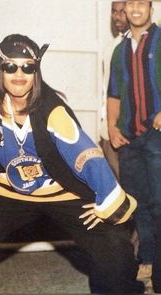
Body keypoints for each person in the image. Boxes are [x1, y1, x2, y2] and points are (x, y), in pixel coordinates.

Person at [0, 33, 144, 294]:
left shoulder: (52, 111)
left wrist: (106, 203)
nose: (19, 74)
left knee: (112, 241)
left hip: (59, 192)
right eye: (10, 66)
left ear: (36, 71)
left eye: (28, 67)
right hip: (6, 191)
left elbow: (87, 154)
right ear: (0, 69)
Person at [107, 0, 161, 292]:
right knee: (136, 203)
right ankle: (148, 260)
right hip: (129, 138)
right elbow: (114, 93)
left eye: (142, 2)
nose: (136, 9)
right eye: (131, 4)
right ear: (124, 9)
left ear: (151, 7)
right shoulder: (119, 51)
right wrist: (112, 127)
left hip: (157, 135)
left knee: (160, 203)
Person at [99, 0, 129, 180]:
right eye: (114, 11)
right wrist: (105, 128)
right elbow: (107, 90)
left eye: (122, 11)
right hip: (109, 131)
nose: (117, 16)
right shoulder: (111, 46)